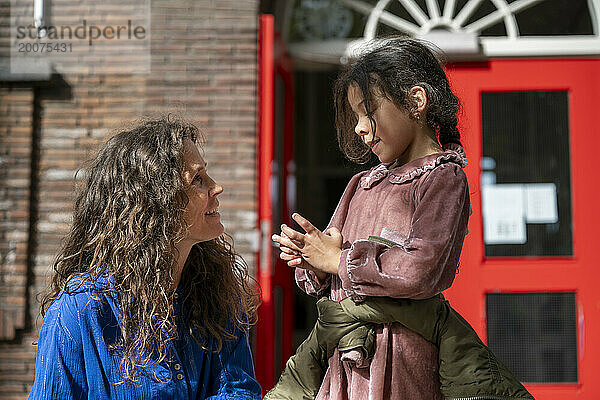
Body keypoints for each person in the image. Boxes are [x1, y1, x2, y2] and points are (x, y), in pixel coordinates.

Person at [270, 38, 532, 400]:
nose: (360, 127)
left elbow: (421, 270)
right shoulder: (361, 183)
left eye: (368, 111)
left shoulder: (442, 178)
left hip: (402, 365)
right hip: (342, 365)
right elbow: (329, 265)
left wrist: (338, 259)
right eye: (355, 116)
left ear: (415, 102)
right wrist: (312, 260)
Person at [29, 116, 262, 399]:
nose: (216, 187)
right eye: (198, 179)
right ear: (157, 203)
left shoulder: (218, 298)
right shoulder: (78, 313)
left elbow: (241, 391)